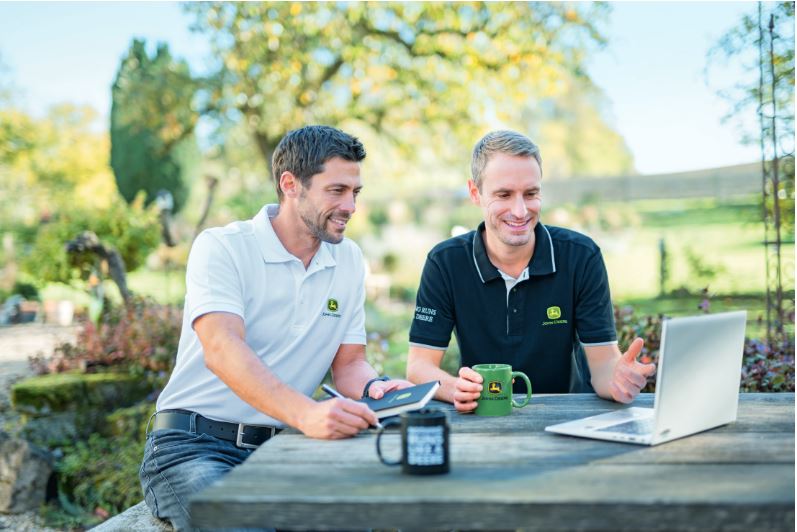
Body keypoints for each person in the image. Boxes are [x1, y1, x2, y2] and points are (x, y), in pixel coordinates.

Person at [140, 125, 411, 530]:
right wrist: (307, 414)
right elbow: (221, 349)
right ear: (290, 185)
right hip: (194, 446)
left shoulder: (349, 260)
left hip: (287, 447)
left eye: (355, 192)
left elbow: (350, 365)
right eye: (336, 190)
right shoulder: (223, 247)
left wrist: (375, 388)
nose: (351, 206)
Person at [406, 130, 655, 412]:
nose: (520, 210)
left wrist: (618, 380)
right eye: (504, 194)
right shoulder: (445, 263)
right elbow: (419, 366)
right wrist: (455, 389)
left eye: (531, 194)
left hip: (565, 418)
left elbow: (603, 366)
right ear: (475, 193)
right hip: (482, 416)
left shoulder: (581, 257)